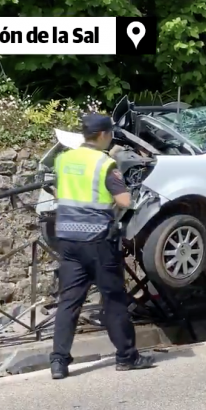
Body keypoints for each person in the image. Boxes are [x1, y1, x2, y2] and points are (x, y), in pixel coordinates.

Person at [49, 113, 154, 379]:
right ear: (104, 135)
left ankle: (59, 362)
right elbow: (124, 201)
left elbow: (59, 193)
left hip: (68, 240)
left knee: (69, 301)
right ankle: (127, 357)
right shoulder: (104, 163)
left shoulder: (64, 159)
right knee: (114, 299)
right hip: (98, 241)